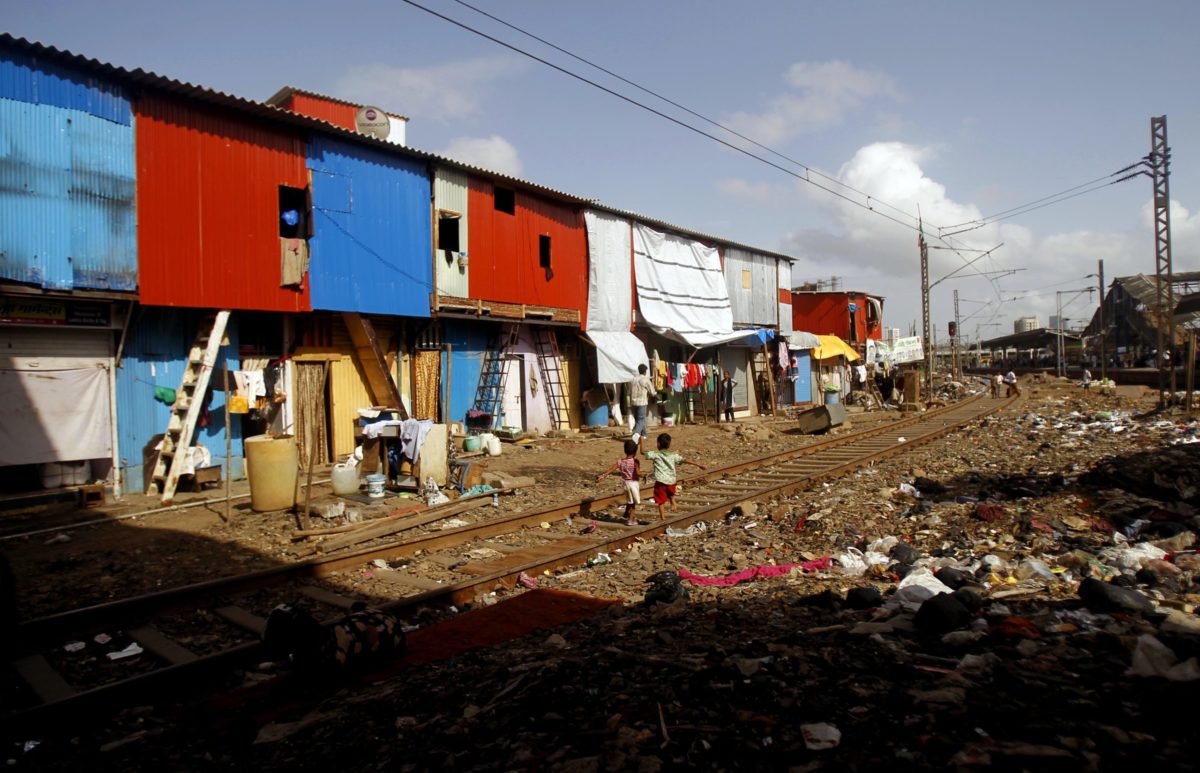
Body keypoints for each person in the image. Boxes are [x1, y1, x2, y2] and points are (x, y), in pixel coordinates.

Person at [644, 433, 706, 520]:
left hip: (661, 481)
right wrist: (698, 465)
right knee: (670, 492)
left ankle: (663, 518)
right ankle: (673, 501)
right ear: (669, 444)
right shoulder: (673, 455)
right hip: (671, 480)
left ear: (658, 443)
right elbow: (684, 460)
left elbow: (642, 452)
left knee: (660, 501)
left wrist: (640, 441)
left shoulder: (655, 454)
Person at [597, 439, 641, 526]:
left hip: (626, 484)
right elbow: (638, 473)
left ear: (625, 450)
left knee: (630, 500)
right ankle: (631, 520)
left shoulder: (621, 461)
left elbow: (612, 469)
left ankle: (626, 513)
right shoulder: (636, 462)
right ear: (635, 451)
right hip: (633, 484)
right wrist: (644, 475)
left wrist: (604, 475)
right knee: (633, 504)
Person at [628, 364, 654, 453]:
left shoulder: (633, 379)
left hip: (633, 402)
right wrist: (655, 395)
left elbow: (629, 391)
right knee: (641, 419)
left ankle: (644, 434)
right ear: (645, 371)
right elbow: (652, 391)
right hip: (642, 402)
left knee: (638, 420)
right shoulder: (645, 380)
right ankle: (636, 435)